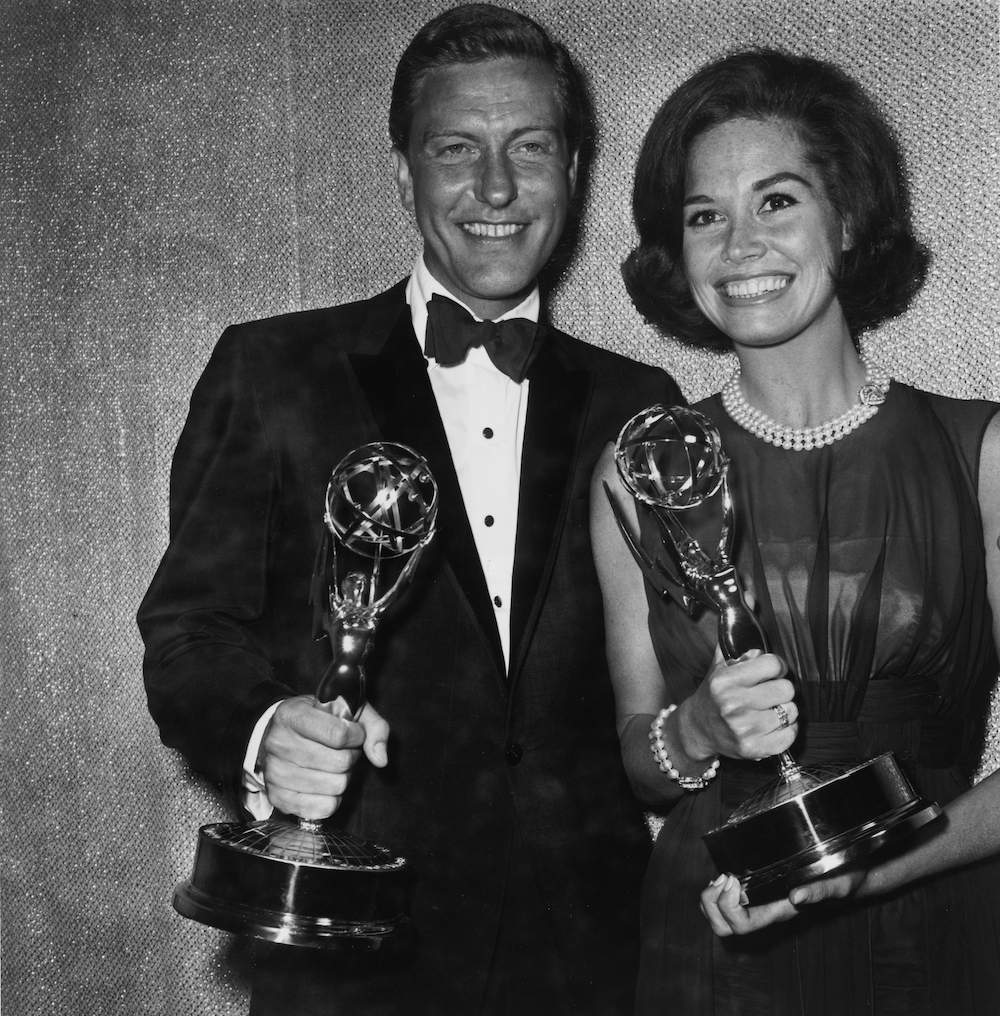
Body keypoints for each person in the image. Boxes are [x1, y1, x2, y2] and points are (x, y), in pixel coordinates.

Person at [139, 5, 680, 1015]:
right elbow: (186, 636)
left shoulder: (638, 402)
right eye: (454, 149)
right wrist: (264, 727)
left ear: (572, 168)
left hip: (592, 960)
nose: (495, 188)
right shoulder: (271, 369)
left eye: (529, 147)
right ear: (404, 175)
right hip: (351, 958)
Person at [591, 49, 1000, 1016]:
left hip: (935, 923)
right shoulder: (639, 469)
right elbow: (638, 761)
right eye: (704, 216)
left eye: (776, 201)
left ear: (848, 217)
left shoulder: (981, 454)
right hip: (719, 931)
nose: (739, 245)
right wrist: (692, 730)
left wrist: (876, 870)